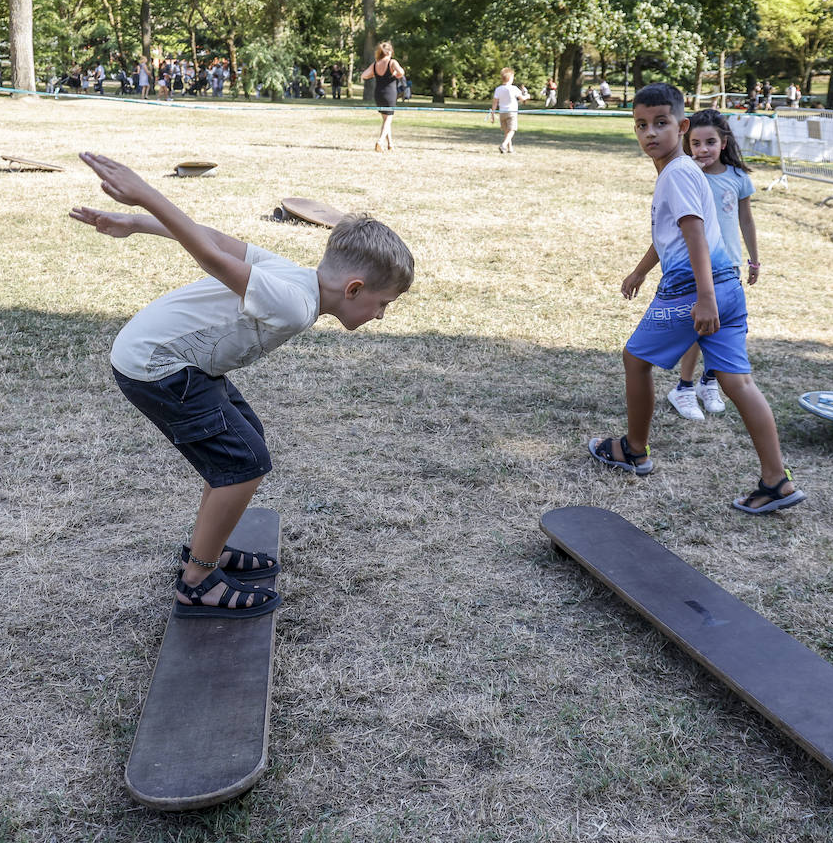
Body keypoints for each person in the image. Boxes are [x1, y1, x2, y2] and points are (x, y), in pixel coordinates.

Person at [69, 153, 414, 616]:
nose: (380, 316)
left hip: (176, 361)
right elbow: (210, 256)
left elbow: (216, 239)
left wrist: (136, 221)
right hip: (158, 367)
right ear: (352, 289)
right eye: (382, 304)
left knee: (245, 445)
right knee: (244, 464)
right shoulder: (293, 303)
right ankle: (197, 581)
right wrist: (147, 196)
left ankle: (204, 550)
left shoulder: (296, 277)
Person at [587, 83, 803, 514]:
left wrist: (702, 298)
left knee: (635, 359)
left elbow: (695, 236)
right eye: (641, 125)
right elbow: (672, 235)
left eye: (661, 123)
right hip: (728, 288)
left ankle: (634, 450)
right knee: (738, 382)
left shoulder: (678, 174)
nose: (650, 133)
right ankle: (776, 481)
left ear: (682, 127)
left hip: (694, 290)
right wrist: (642, 270)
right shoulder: (684, 172)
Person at [666, 108, 760, 422]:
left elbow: (746, 220)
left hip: (729, 268)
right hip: (695, 267)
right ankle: (683, 386)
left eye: (709, 142)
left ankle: (709, 383)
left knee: (721, 330)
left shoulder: (738, 178)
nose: (702, 149)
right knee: (697, 329)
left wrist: (754, 259)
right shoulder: (688, 177)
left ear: (723, 142)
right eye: (695, 143)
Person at [361, 42, 405, 152]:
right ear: (390, 51)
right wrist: (395, 75)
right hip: (389, 93)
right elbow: (401, 72)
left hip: (378, 94)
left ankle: (390, 144)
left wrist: (375, 74)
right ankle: (380, 141)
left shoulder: (376, 64)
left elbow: (364, 75)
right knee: (388, 119)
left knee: (386, 119)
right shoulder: (392, 62)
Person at [489, 67, 528, 153]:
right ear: (510, 78)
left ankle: (510, 148)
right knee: (512, 130)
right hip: (512, 112)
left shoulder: (498, 89)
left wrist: (492, 114)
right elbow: (521, 98)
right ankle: (503, 145)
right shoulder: (514, 88)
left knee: (507, 131)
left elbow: (495, 103)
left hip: (502, 112)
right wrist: (527, 96)